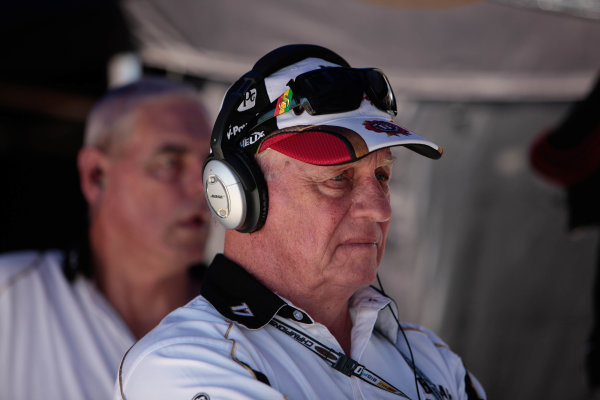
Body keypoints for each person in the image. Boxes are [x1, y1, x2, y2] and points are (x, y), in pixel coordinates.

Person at [115, 44, 486, 400]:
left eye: (383, 177)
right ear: (237, 194)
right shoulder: (181, 363)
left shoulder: (431, 359)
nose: (380, 208)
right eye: (338, 178)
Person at [0, 76, 213, 400]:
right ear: (95, 175)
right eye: (170, 162)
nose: (203, 187)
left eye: (211, 165)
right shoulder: (11, 300)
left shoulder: (248, 325)